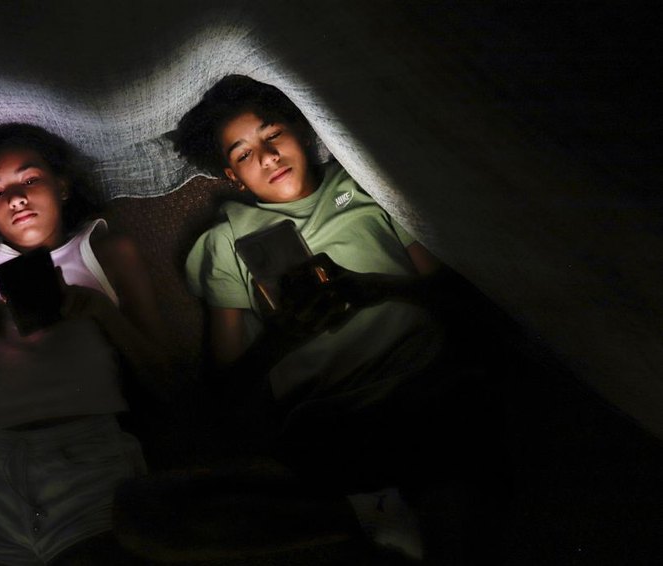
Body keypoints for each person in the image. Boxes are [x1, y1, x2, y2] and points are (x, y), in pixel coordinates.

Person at [167, 74, 489, 561]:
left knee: (449, 456)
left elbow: (453, 296)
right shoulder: (226, 240)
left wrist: (377, 289)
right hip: (329, 416)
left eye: (273, 134)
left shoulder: (363, 182)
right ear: (233, 176)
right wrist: (282, 338)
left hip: (421, 378)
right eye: (244, 153)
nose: (268, 157)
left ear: (301, 129)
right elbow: (228, 384)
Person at [0, 122, 167, 565]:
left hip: (87, 458)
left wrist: (100, 312)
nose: (15, 198)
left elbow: (165, 375)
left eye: (29, 180)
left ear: (62, 186)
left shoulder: (104, 251)